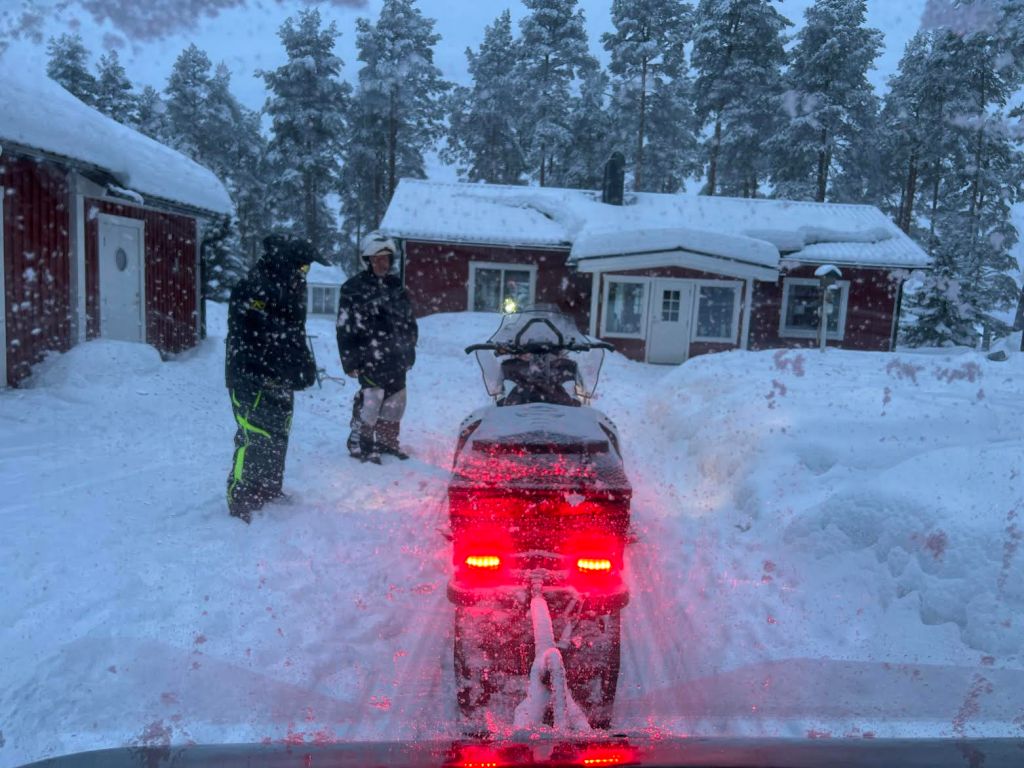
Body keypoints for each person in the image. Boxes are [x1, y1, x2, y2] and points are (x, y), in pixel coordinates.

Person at [224, 233, 329, 523]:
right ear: (286, 261)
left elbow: (293, 334)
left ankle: (268, 489)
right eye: (302, 266)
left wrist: (303, 365)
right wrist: (271, 364)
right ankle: (241, 496)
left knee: (277, 435)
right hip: (251, 377)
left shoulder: (292, 287)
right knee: (254, 436)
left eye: (306, 268)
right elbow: (249, 334)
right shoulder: (253, 286)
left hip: (279, 379)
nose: (304, 272)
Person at [336, 231, 418, 463]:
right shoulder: (353, 288)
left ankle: (387, 442)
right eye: (377, 259)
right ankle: (361, 443)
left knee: (395, 402)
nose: (382, 263)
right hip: (368, 355)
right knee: (371, 400)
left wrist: (409, 350)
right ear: (368, 261)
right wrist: (350, 361)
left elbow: (408, 322)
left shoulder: (396, 286)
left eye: (386, 258)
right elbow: (344, 328)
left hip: (396, 356)